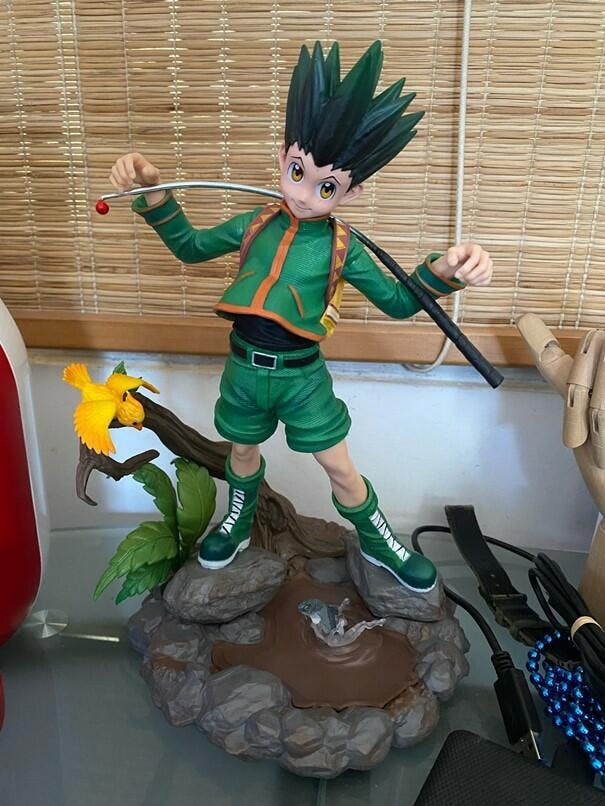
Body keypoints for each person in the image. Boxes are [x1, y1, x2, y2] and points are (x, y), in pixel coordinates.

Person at [109, 40, 492, 593]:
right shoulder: (255, 224)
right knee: (241, 451)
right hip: (244, 368)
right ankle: (239, 522)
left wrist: (446, 269)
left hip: (302, 378)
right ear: (282, 157)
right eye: (297, 171)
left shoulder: (344, 247)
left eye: (326, 186)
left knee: (338, 465)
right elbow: (190, 247)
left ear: (352, 192)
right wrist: (154, 192)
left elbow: (400, 301)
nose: (305, 194)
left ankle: (380, 541)